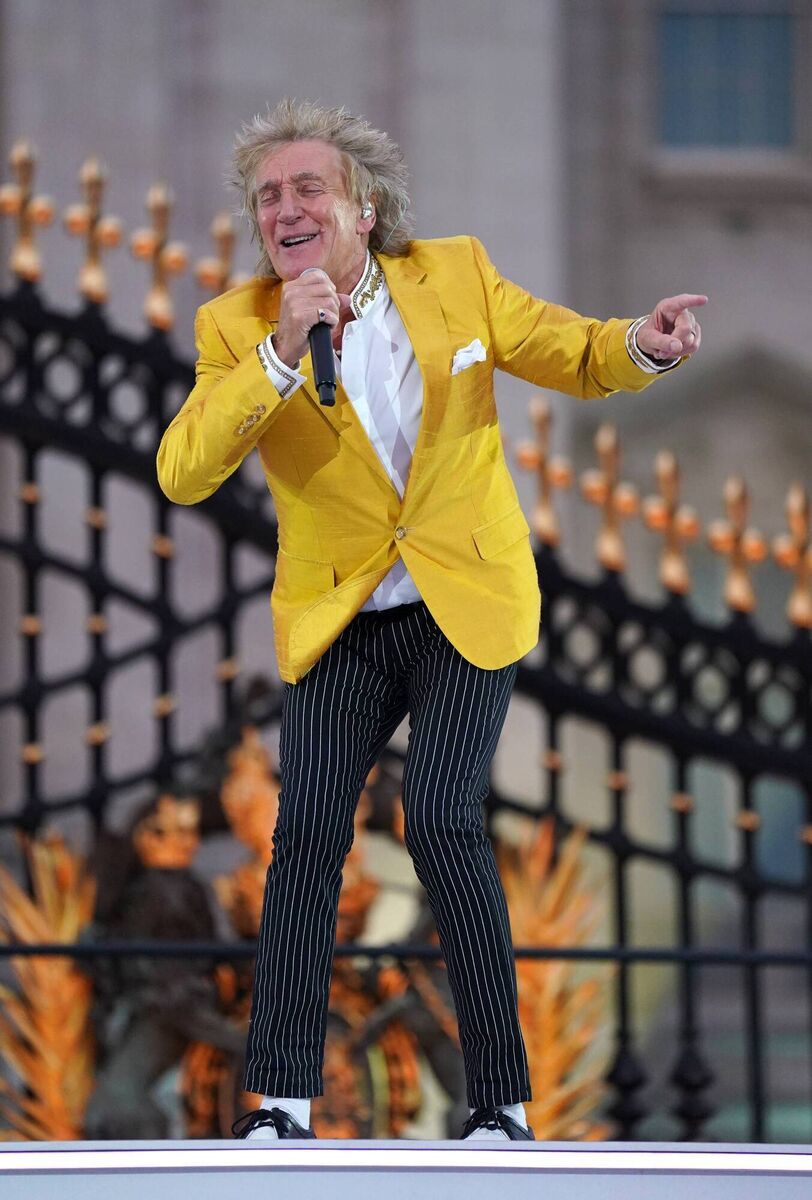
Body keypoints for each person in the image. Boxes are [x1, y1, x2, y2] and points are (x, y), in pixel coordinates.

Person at [156, 98, 705, 1142]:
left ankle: (497, 1102)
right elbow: (184, 470)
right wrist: (277, 356)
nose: (283, 209)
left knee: (444, 820)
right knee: (308, 835)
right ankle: (279, 1102)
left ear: (363, 207)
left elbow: (570, 352)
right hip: (341, 618)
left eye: (306, 188)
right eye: (267, 197)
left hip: (462, 600)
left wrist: (642, 343)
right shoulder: (234, 324)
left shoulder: (451, 275)